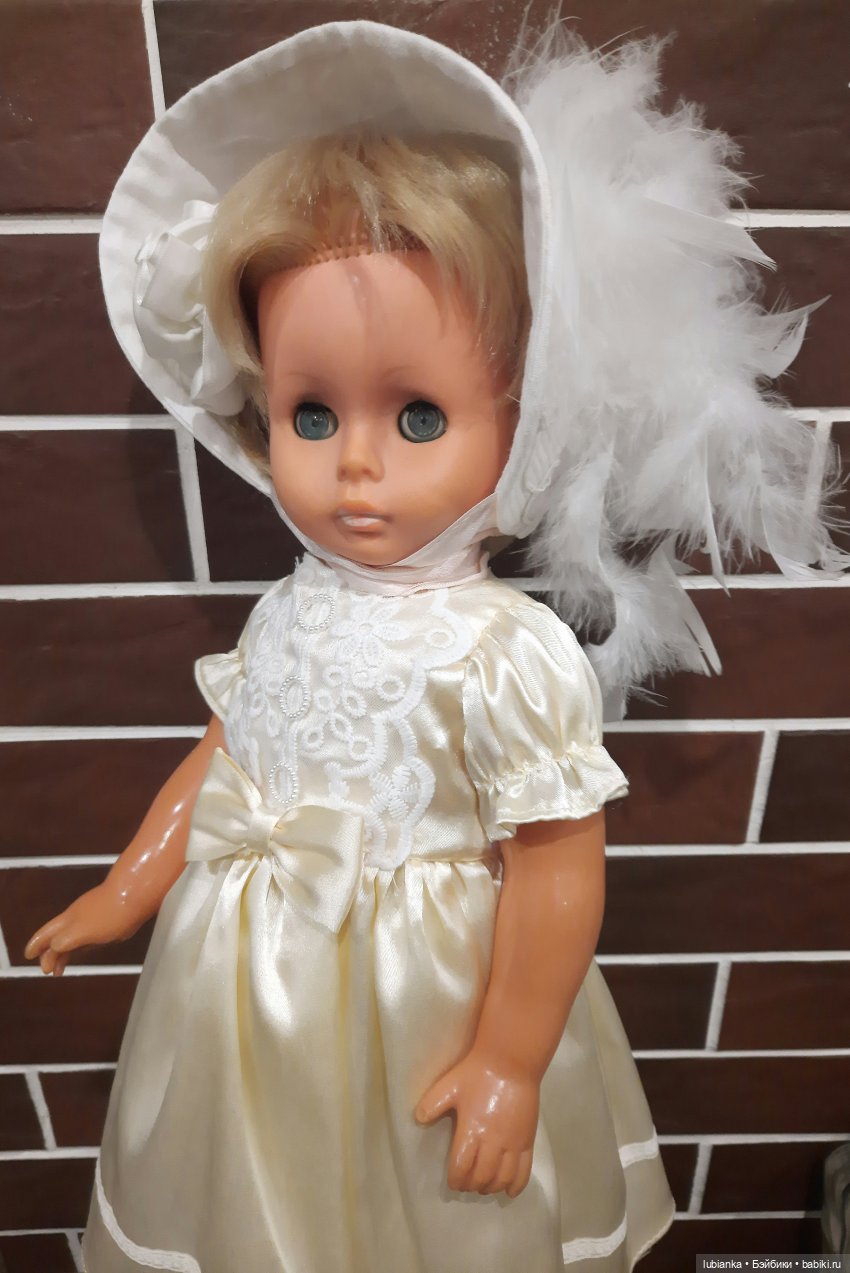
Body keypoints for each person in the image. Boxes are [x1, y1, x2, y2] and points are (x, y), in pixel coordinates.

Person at [24, 17, 844, 1273]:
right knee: (266, 1199)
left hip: (427, 996)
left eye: (417, 416)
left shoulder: (501, 652)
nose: (354, 462)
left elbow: (556, 870)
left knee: (426, 1217)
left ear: (522, 417)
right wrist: (133, 883)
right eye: (310, 413)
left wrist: (510, 1057)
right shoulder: (287, 605)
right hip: (245, 989)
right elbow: (230, 749)